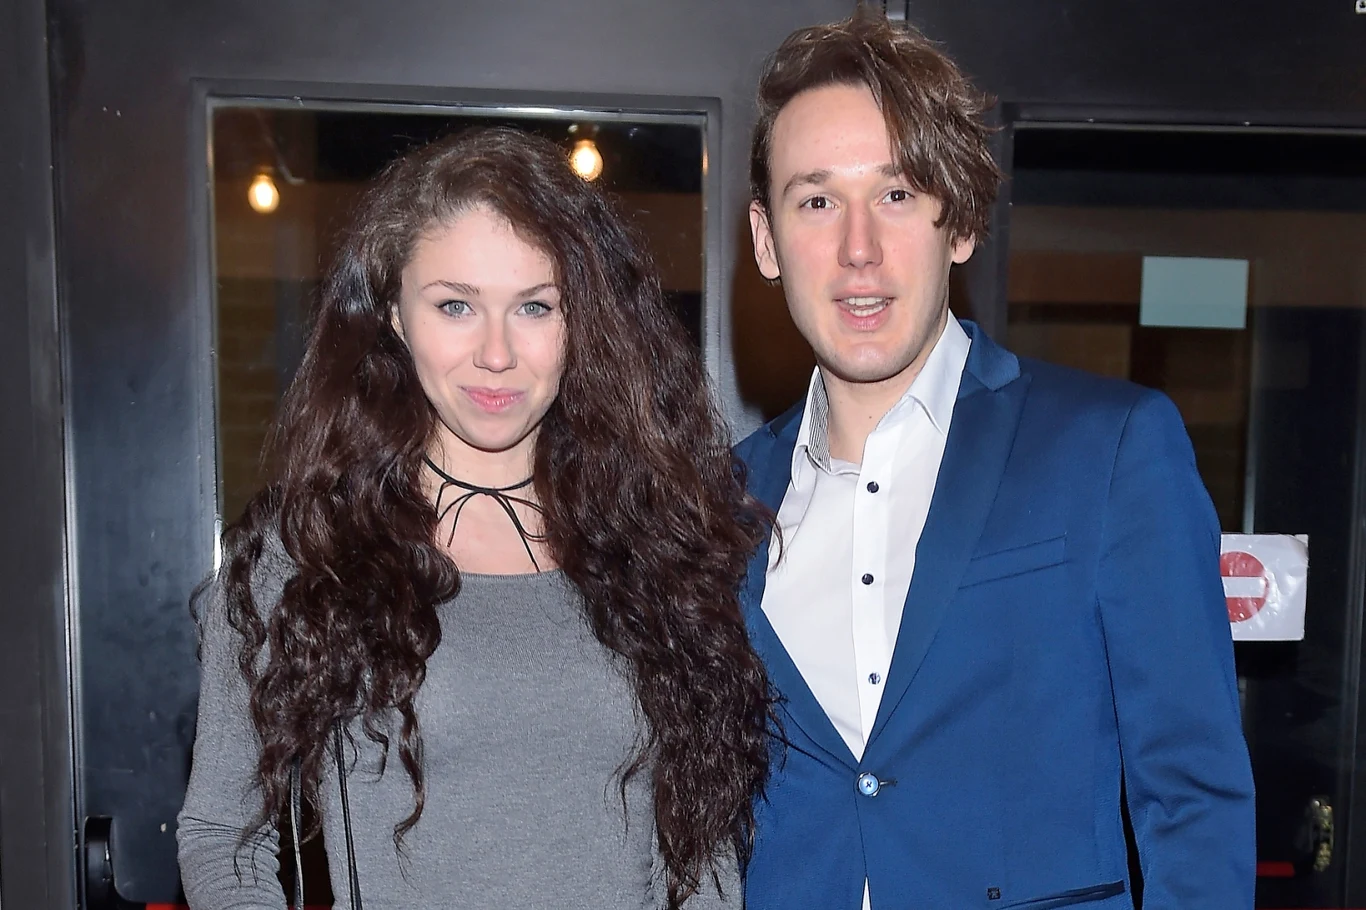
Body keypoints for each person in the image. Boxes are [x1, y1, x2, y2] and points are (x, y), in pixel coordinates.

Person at [735, 7, 1256, 909]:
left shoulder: (1111, 449)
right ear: (766, 240)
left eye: (897, 195)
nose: (859, 249)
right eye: (817, 201)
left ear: (962, 224)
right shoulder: (719, 500)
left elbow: (1193, 798)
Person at [177, 126, 770, 910]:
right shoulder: (311, 551)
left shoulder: (651, 543)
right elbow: (223, 838)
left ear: (581, 322)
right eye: (455, 305)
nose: (496, 353)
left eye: (535, 307)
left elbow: (700, 853)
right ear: (394, 313)